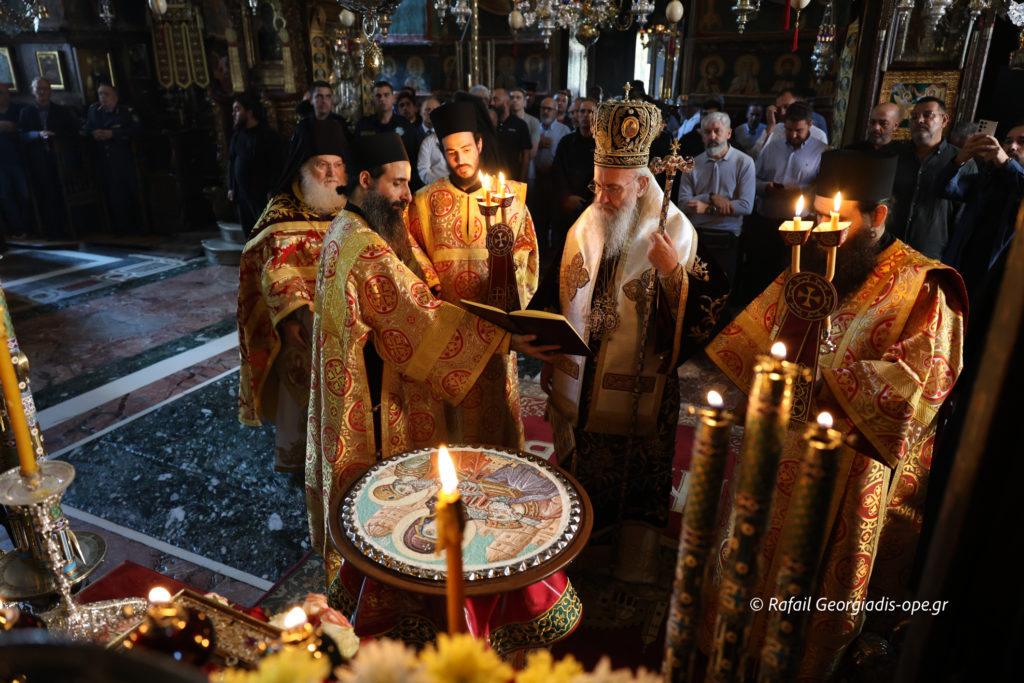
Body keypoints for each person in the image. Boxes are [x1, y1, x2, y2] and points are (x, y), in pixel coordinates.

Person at [701, 150, 967, 678]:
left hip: (847, 463)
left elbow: (919, 384)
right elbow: (756, 338)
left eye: (836, 219)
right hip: (778, 445)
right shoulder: (812, 266)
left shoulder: (924, 285)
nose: (822, 230)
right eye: (818, 216)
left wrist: (831, 382)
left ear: (878, 216)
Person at [309, 135, 577, 652]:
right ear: (365, 181)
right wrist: (505, 338)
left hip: (357, 387)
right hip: (373, 400)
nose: (406, 196)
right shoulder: (364, 247)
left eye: (408, 182)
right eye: (397, 184)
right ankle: (397, 608)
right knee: (385, 506)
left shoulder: (350, 227)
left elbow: (416, 278)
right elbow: (416, 319)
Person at [538, 92, 728, 582]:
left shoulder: (676, 231)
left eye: (614, 189)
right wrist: (550, 351)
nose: (602, 197)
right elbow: (558, 295)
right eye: (597, 185)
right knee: (583, 474)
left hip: (640, 388)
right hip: (583, 383)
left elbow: (712, 306)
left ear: (643, 183)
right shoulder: (587, 223)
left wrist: (673, 275)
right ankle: (580, 559)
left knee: (635, 478)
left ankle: (632, 564)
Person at [407, 101, 540, 450]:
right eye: (451, 152)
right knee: (449, 416)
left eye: (466, 149)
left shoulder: (511, 197)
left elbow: (527, 252)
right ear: (442, 152)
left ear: (479, 145)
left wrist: (508, 284)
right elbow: (411, 250)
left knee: (495, 413)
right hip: (446, 325)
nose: (460, 159)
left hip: (494, 326)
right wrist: (430, 283)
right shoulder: (422, 201)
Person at [237, 119, 349, 473]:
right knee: (300, 390)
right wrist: (286, 320)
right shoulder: (280, 211)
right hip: (300, 327)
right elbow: (266, 268)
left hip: (348, 321)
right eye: (322, 165)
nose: (331, 174)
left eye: (338, 164)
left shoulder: (352, 205)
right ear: (303, 166)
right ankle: (298, 457)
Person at [743, 101, 827, 301]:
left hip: (800, 225)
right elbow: (752, 180)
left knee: (791, 274)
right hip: (767, 222)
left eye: (799, 130)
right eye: (789, 129)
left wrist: (800, 191)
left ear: (810, 125)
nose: (793, 135)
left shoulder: (822, 151)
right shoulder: (772, 147)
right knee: (760, 276)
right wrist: (767, 187)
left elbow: (823, 189)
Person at [677, 111, 756, 283]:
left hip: (727, 236)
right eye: (707, 132)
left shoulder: (744, 162)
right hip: (697, 235)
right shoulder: (692, 164)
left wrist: (706, 207)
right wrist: (711, 197)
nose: (712, 136)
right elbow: (682, 203)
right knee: (696, 288)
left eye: (717, 131)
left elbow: (745, 206)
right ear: (702, 135)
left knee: (723, 288)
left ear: (728, 133)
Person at [888, 97, 969, 260]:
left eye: (927, 115)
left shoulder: (961, 161)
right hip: (889, 249)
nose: (919, 120)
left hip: (931, 257)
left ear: (944, 120)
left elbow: (963, 218)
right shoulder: (894, 155)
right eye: (914, 116)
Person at [19, 77, 78, 238]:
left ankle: (68, 229)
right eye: (39, 88)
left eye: (45, 89)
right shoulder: (26, 112)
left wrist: (54, 135)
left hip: (60, 160)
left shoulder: (62, 111)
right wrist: (37, 135)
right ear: (32, 91)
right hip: (38, 161)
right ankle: (52, 231)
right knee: (45, 195)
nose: (42, 92)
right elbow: (21, 135)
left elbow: (73, 133)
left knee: (61, 193)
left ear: (50, 91)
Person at [227, 92, 283, 238]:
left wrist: (272, 188)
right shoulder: (237, 136)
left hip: (260, 193)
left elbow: (276, 164)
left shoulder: (267, 135)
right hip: (242, 194)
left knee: (264, 232)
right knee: (249, 233)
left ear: (249, 111)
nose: (233, 114)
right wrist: (231, 187)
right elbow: (232, 161)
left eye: (237, 109)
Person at [551, 98, 597, 254]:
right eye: (582, 111)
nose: (585, 115)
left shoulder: (603, 144)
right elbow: (558, 172)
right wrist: (567, 197)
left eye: (590, 111)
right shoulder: (566, 142)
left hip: (592, 206)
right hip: (566, 205)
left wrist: (589, 200)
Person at [530, 97, 571, 250]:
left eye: (549, 109)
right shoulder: (535, 128)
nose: (546, 111)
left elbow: (566, 159)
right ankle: (539, 250)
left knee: (555, 217)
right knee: (538, 217)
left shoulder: (564, 130)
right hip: (537, 179)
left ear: (556, 111)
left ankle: (554, 252)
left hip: (555, 181)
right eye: (543, 108)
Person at [747, 89, 828, 159]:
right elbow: (754, 156)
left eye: (786, 107)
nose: (782, 113)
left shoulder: (818, 135)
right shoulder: (774, 129)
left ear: (800, 103)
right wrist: (770, 128)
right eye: (779, 109)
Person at [0, 82, 30, 244]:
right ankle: (18, 229)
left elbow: (25, 128)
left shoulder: (18, 109)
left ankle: (29, 226)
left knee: (24, 194)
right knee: (5, 195)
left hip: (18, 159)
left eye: (5, 93)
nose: (3, 96)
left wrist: (12, 127)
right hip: (1, 161)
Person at [490, 88, 532, 181]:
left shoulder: (520, 125)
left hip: (512, 177)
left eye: (496, 99)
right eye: (491, 99)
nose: (492, 103)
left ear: (507, 103)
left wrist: (522, 181)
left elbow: (526, 155)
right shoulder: (490, 124)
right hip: (491, 177)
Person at [415, 96, 447, 185]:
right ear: (420, 112)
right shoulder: (411, 134)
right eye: (427, 109)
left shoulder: (447, 136)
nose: (431, 113)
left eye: (435, 109)